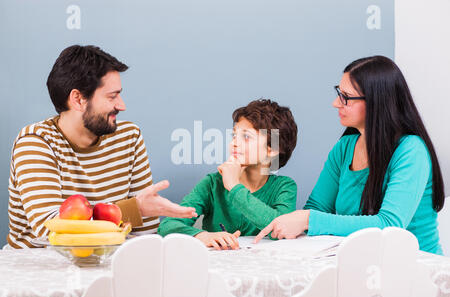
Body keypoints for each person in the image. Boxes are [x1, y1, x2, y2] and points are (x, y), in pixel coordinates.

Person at [6, 45, 197, 249]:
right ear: (78, 99)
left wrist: (140, 213)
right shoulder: (36, 142)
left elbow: (143, 233)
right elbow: (51, 230)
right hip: (39, 270)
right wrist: (131, 210)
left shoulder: (129, 137)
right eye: (111, 96)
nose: (121, 105)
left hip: (106, 265)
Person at [254, 56, 445, 255]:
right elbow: (316, 208)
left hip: (416, 269)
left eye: (346, 96)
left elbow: (390, 225)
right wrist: (302, 221)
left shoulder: (411, 150)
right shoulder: (345, 148)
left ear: (375, 102)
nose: (336, 103)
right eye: (339, 92)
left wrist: (308, 220)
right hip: (362, 266)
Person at [157, 99, 298, 250]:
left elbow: (280, 229)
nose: (234, 143)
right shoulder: (213, 183)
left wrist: (234, 186)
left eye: (246, 137)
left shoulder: (284, 187)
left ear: (272, 149)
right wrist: (202, 236)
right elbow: (168, 225)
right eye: (234, 136)